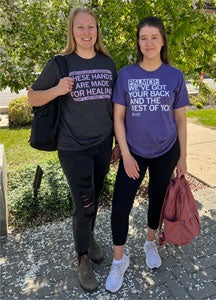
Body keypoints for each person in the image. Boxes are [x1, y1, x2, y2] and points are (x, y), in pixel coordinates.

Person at [28, 7, 119, 292]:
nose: (86, 32)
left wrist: (117, 143)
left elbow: (115, 108)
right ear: (72, 30)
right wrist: (57, 89)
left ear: (97, 30)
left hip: (103, 146)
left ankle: (88, 239)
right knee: (84, 204)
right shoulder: (60, 63)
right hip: (73, 148)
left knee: (94, 197)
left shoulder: (108, 64)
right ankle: (82, 258)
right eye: (80, 27)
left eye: (91, 27)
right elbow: (32, 97)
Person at [105, 16, 190, 292]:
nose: (149, 42)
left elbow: (180, 120)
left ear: (163, 40)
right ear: (138, 42)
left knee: (157, 199)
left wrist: (183, 156)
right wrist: (127, 155)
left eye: (154, 37)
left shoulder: (174, 76)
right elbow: (118, 118)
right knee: (120, 206)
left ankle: (150, 243)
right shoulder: (127, 74)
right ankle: (119, 260)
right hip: (135, 153)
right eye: (144, 38)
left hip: (166, 150)